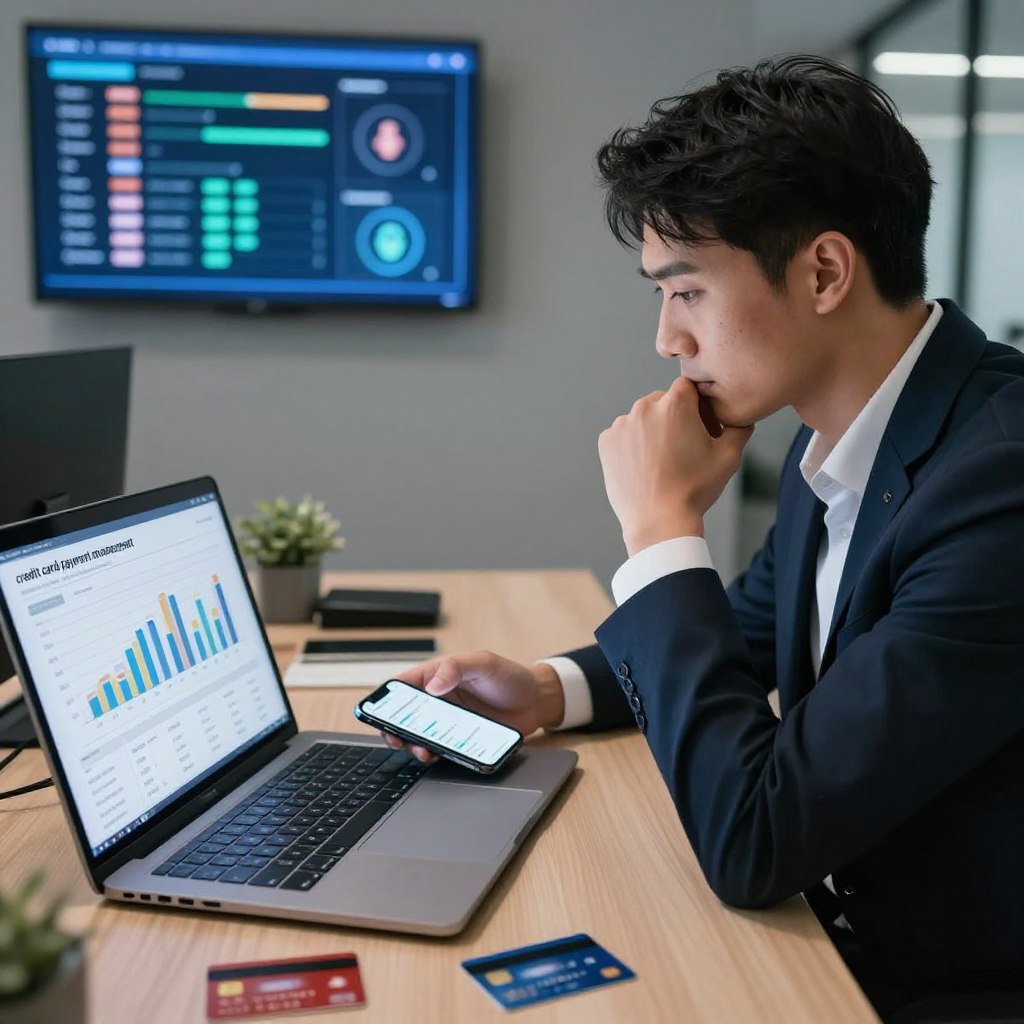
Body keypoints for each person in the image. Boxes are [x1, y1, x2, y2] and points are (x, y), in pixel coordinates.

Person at [383, 55, 1024, 1018]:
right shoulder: (845, 422)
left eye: (686, 291)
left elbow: (756, 840)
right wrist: (548, 689)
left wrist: (659, 528)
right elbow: (754, 624)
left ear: (823, 271)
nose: (668, 341)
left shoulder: (1001, 480)